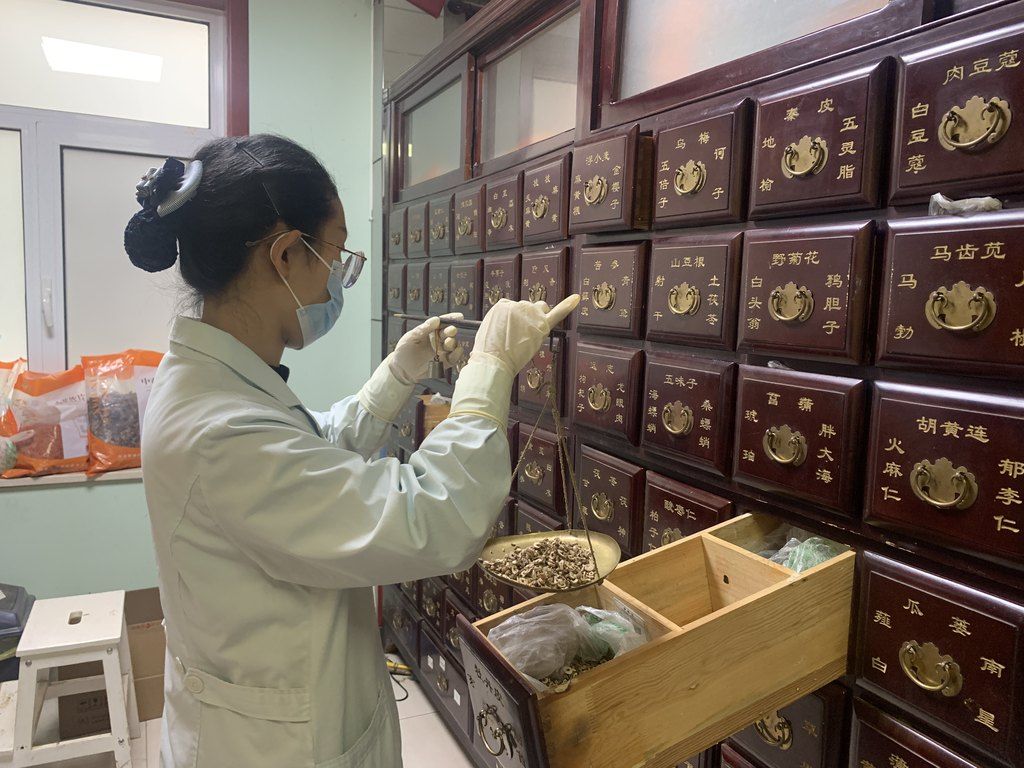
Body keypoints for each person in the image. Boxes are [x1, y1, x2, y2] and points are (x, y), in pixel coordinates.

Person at [124, 134, 579, 768]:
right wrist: (491, 370)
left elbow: (309, 454)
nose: (338, 279)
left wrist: (399, 372)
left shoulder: (215, 385)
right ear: (285, 254)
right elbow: (434, 516)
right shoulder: (217, 432)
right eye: (335, 256)